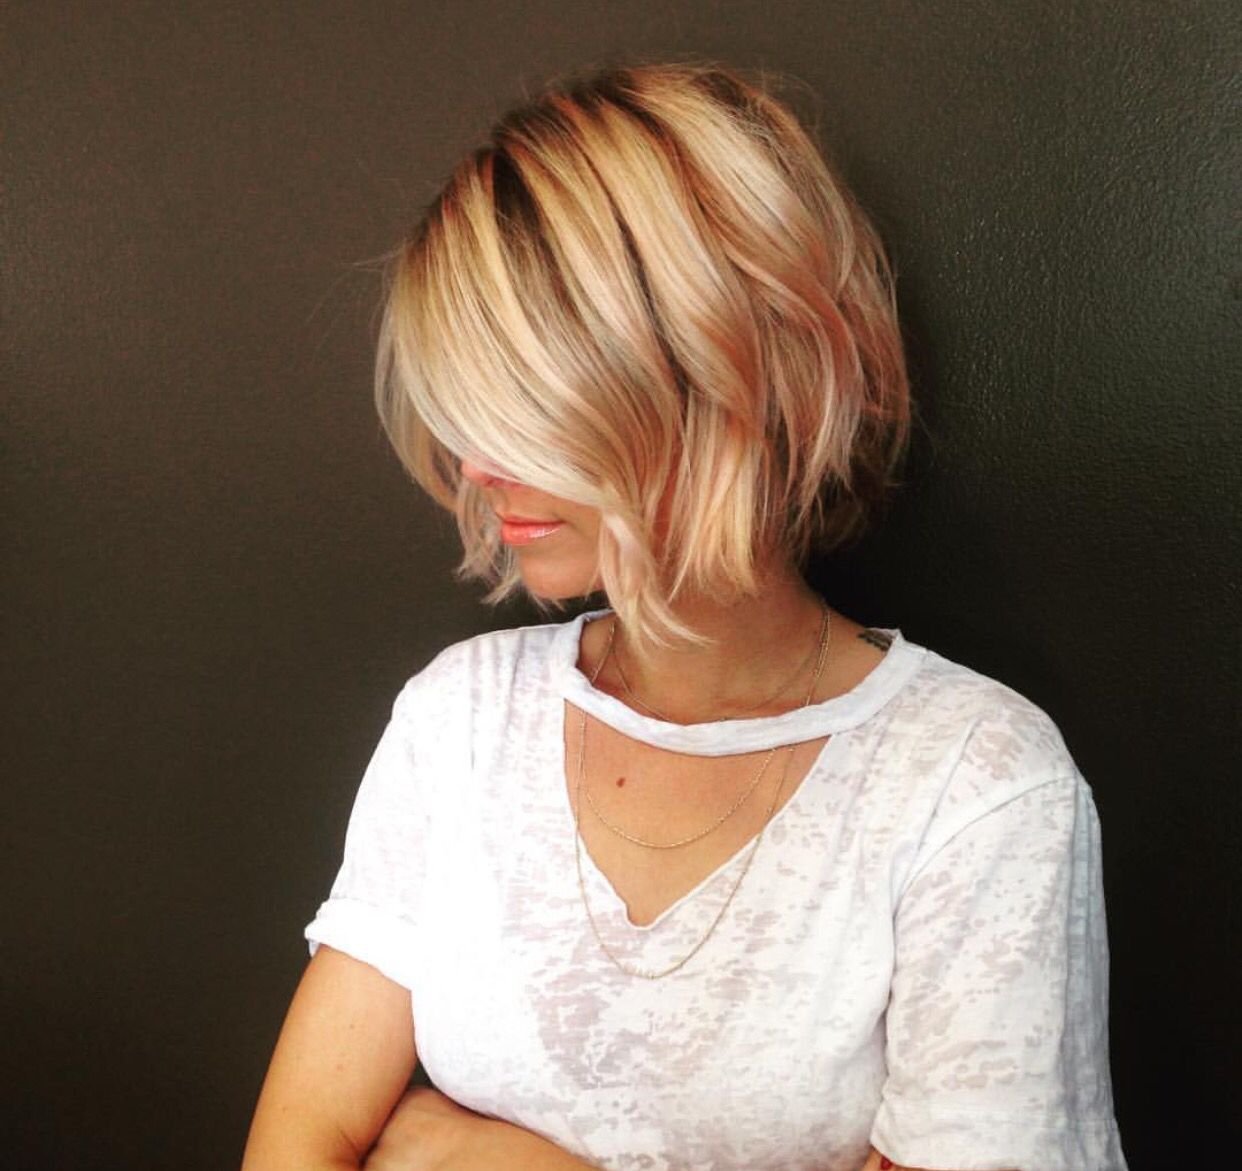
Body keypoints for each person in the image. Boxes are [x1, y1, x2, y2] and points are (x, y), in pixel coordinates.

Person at [241, 59, 1128, 1171]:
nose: (475, 463)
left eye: (526, 401)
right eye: (466, 406)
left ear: (716, 365)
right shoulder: (460, 722)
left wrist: (477, 1155)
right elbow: (300, 1145)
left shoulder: (973, 784)